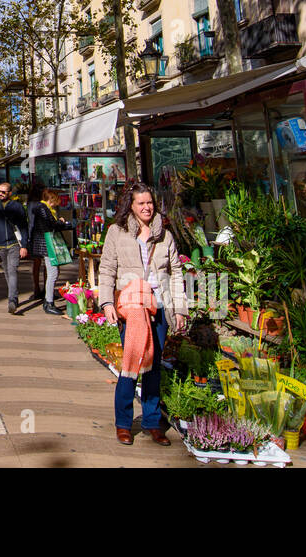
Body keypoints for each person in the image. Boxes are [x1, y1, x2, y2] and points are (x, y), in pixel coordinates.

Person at [98, 183, 187, 447]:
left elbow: (176, 273)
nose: (147, 208)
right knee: (132, 364)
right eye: (141, 204)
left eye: (150, 203)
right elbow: (106, 269)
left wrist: (180, 309)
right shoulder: (117, 232)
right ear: (131, 206)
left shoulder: (165, 235)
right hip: (132, 309)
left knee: (154, 366)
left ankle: (151, 422)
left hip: (159, 307)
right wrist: (106, 303)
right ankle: (123, 423)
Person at [27, 186, 74, 315]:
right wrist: (61, 223)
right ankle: (49, 302)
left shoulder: (44, 209)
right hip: (47, 244)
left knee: (54, 271)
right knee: (53, 273)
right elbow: (49, 225)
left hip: (46, 243)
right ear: (51, 199)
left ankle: (49, 299)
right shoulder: (43, 209)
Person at [0, 182, 29, 314]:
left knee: (12, 270)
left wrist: (24, 245)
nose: (0, 193)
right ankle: (13, 294)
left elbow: (23, 226)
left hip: (14, 243)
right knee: (6, 270)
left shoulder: (17, 207)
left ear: (10, 193)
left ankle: (12, 300)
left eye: (3, 192)